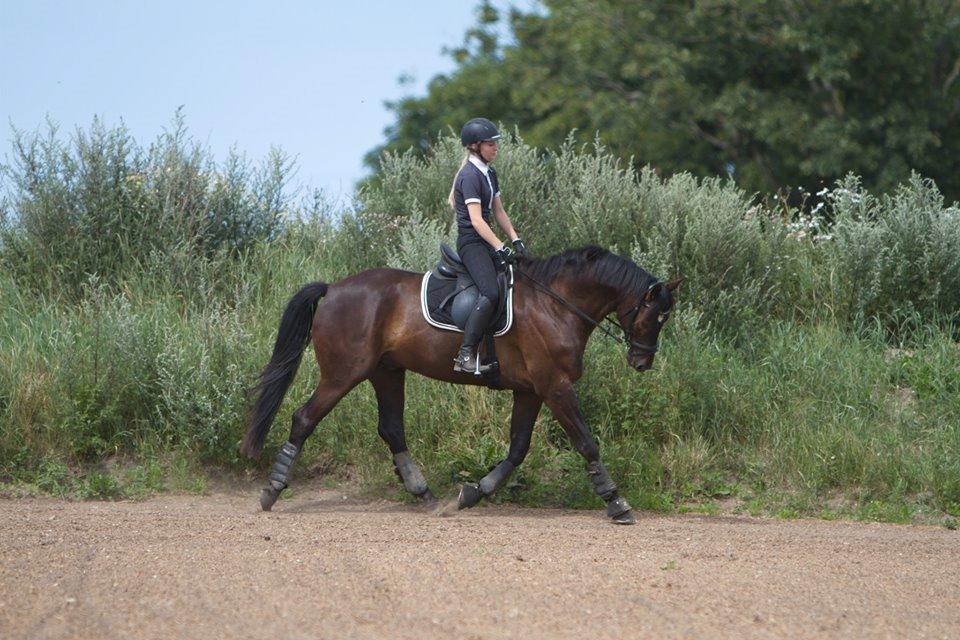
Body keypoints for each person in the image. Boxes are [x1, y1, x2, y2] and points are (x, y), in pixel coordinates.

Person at [448, 117, 528, 374]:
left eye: (496, 143)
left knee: (515, 281)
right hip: (472, 242)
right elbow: (476, 220)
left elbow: (499, 212)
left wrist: (516, 240)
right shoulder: (470, 176)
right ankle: (465, 354)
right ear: (475, 146)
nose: (496, 147)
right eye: (490, 144)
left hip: (486, 240)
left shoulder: (489, 173)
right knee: (491, 293)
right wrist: (500, 246)